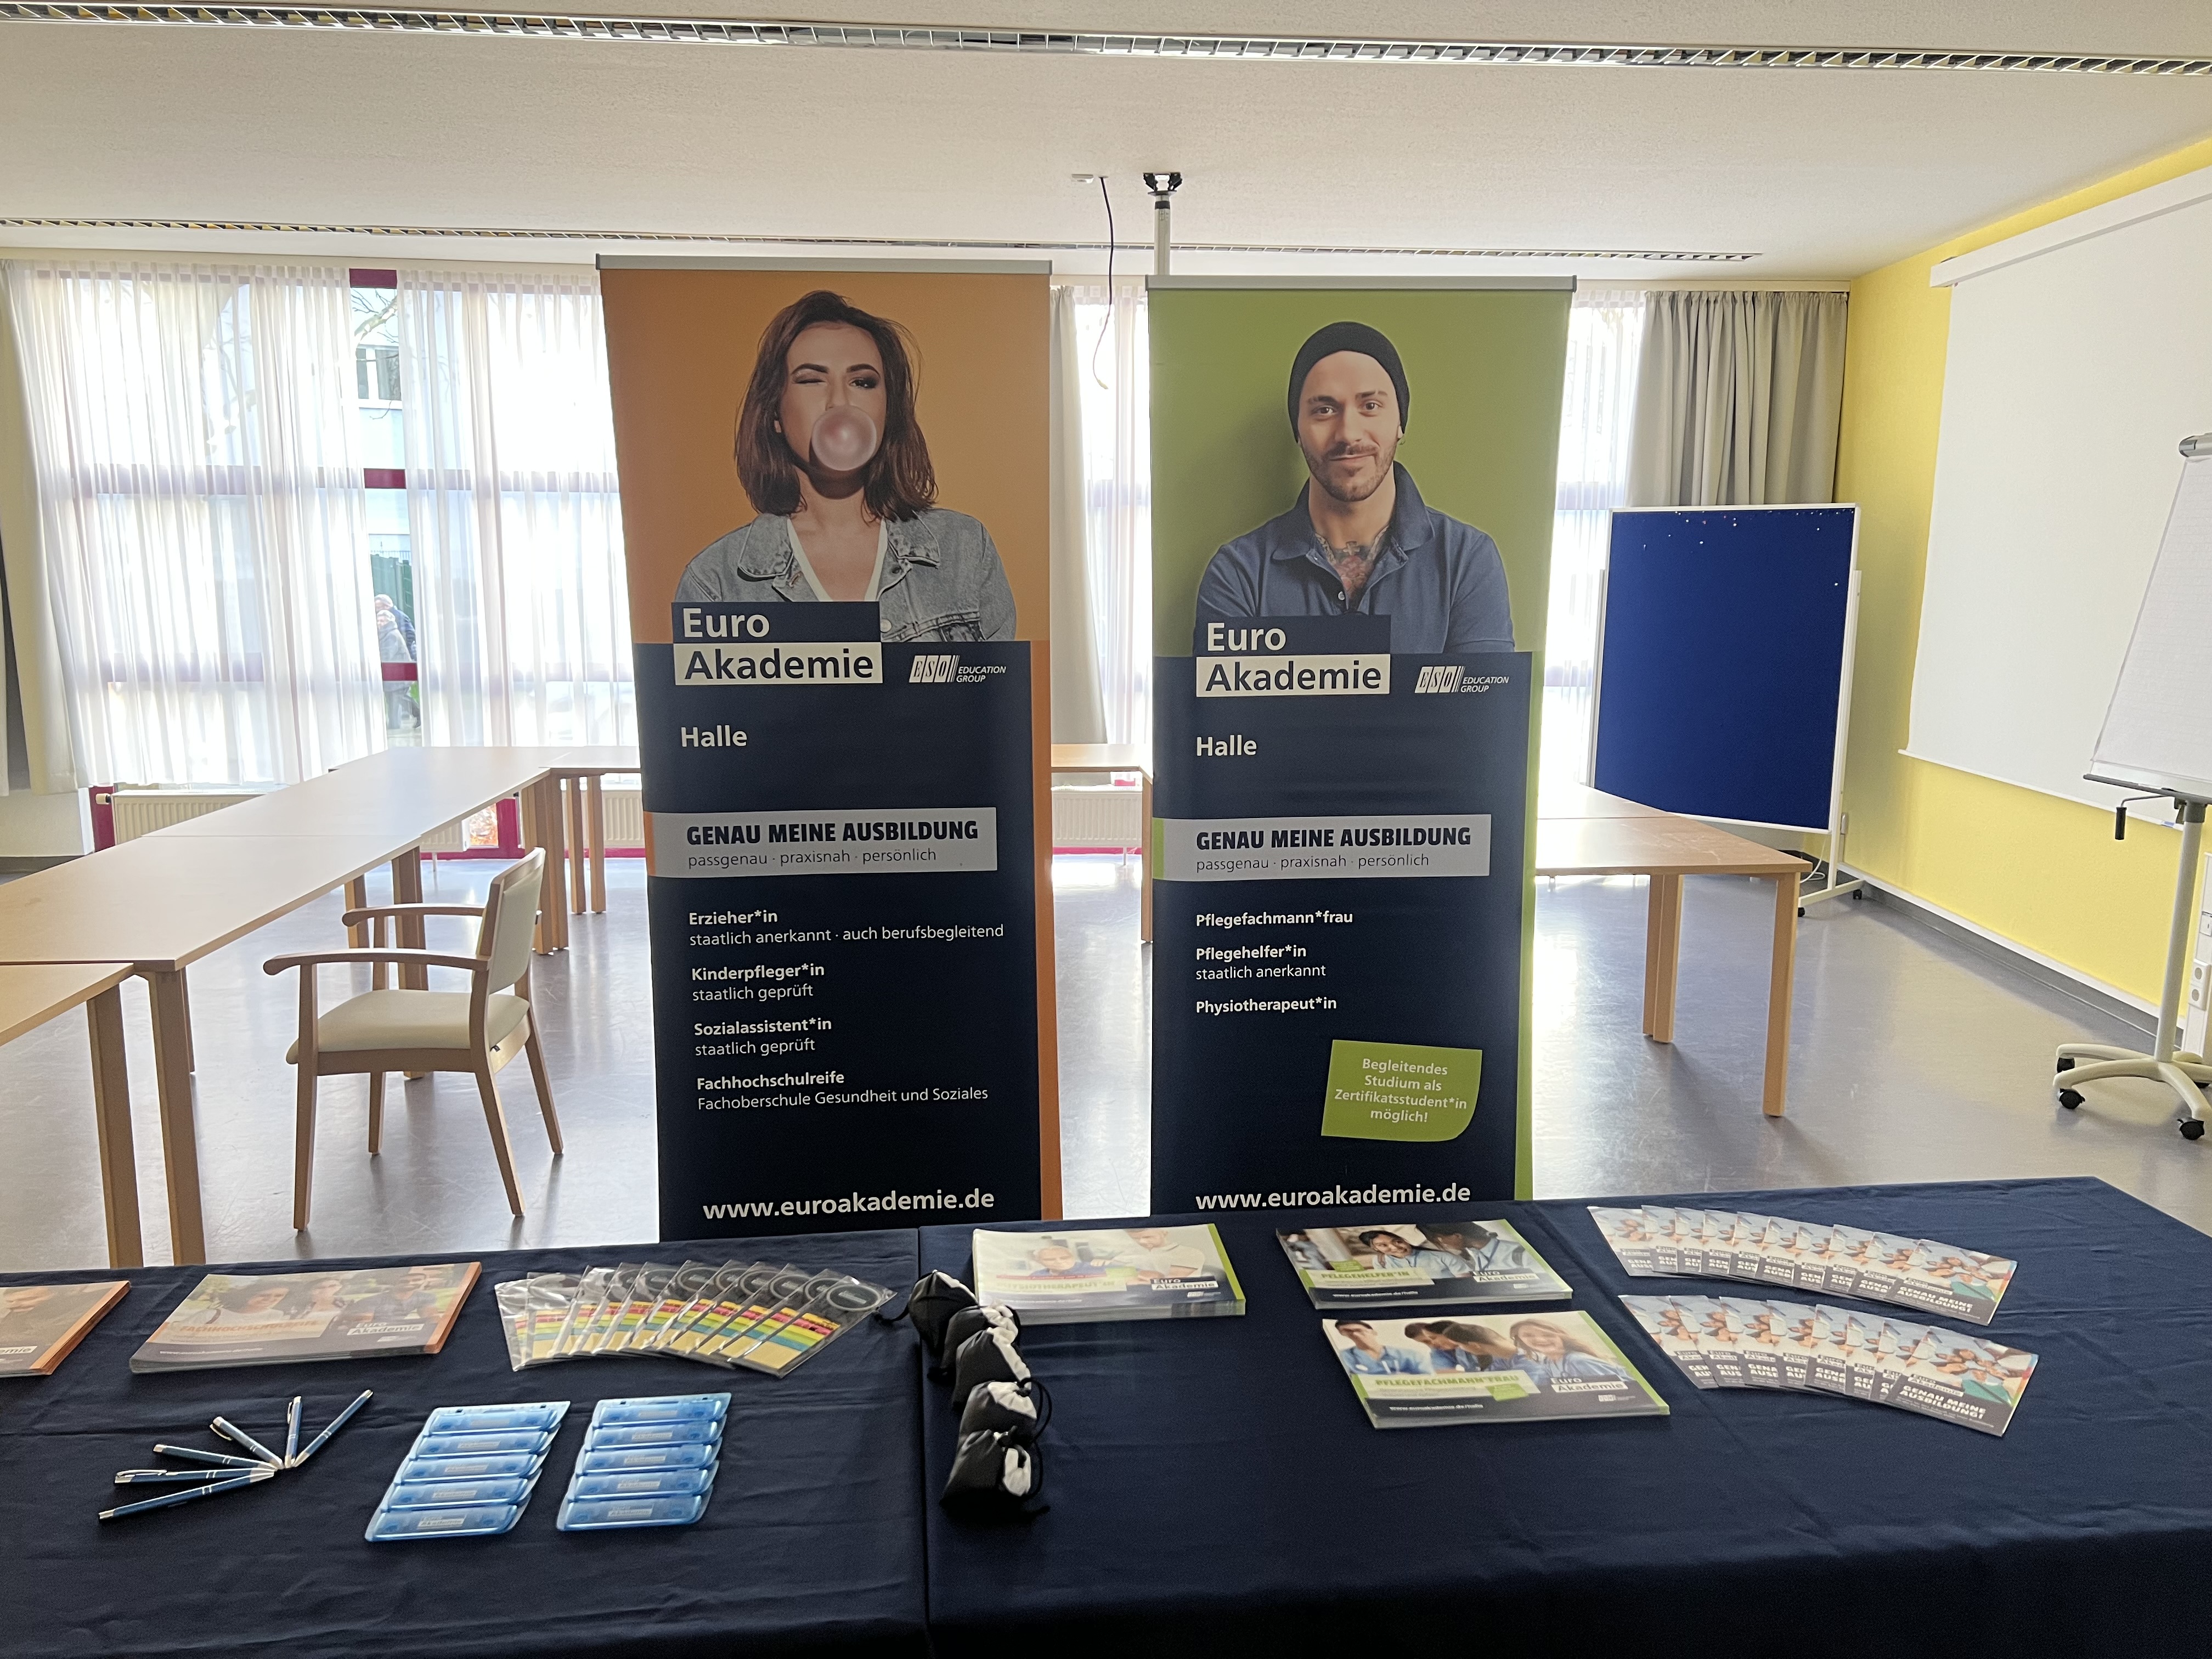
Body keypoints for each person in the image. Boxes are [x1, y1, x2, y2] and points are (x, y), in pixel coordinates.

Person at [674, 290, 1016, 641]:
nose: (840, 402)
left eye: (862, 382)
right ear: (775, 410)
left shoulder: (964, 550)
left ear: (888, 409)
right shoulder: (716, 582)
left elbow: (1001, 678)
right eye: (812, 380)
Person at [1193, 320, 1513, 653]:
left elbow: (1482, 689)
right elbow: (1225, 690)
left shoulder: (1466, 561)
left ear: (1400, 422)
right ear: (1298, 431)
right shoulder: (1239, 574)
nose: (1348, 433)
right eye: (1324, 410)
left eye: (1370, 406)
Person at [1508, 1318, 1629, 1386]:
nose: (1540, 1340)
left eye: (1547, 1335)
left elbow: (1623, 1388)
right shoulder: (1546, 1362)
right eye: (1528, 1336)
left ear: (1561, 1337)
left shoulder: (1578, 1361)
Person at [1420, 1222, 1527, 1276]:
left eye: (1440, 1239)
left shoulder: (1519, 1254)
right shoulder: (1477, 1254)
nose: (1442, 1243)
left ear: (1457, 1236)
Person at [1404, 1320, 1515, 1372]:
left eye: (1432, 1339)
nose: (1433, 1345)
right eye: (1426, 1343)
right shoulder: (1442, 1351)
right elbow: (1443, 1373)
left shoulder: (1480, 1340)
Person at [1104, 1228, 1209, 1280]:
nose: (1142, 1242)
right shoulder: (1129, 1254)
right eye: (1135, 1239)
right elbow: (1111, 1275)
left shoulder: (1190, 1254)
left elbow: (1170, 1282)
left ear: (1164, 1233)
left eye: (1147, 1237)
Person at [1334, 1319, 1428, 1376]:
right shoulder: (1344, 1356)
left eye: (1359, 1330)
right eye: (1348, 1332)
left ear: (1373, 1332)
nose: (1355, 1335)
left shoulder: (1410, 1355)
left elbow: (1428, 1378)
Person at [1024, 1242, 1102, 1279]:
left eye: (1064, 1258)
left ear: (1073, 1257)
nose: (1059, 1262)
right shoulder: (1036, 1276)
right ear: (1040, 1262)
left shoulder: (1095, 1268)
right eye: (1050, 1259)